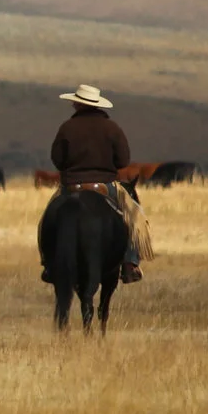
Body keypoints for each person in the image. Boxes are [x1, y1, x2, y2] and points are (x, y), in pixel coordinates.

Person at [49, 84, 145, 283]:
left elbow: (57, 160)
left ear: (77, 104)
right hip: (105, 187)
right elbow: (123, 161)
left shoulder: (67, 127)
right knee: (135, 217)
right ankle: (129, 264)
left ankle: (49, 264)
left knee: (49, 218)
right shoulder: (112, 128)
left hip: (71, 186)